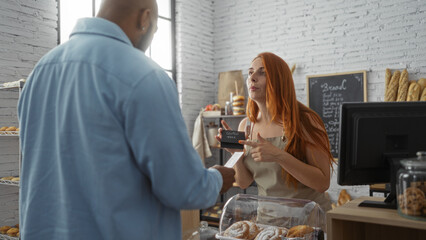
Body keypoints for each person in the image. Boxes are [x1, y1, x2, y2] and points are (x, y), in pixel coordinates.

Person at [17, 0, 235, 239]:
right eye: (155, 30)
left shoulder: (40, 72)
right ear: (145, 19)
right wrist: (216, 179)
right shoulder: (144, 75)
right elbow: (183, 188)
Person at [217, 52, 335, 214]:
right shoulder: (246, 125)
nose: (252, 77)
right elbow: (244, 182)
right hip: (267, 222)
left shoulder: (306, 120)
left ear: (280, 81)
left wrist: (279, 156)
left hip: (308, 222)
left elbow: (322, 183)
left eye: (262, 72)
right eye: (250, 72)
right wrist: (236, 154)